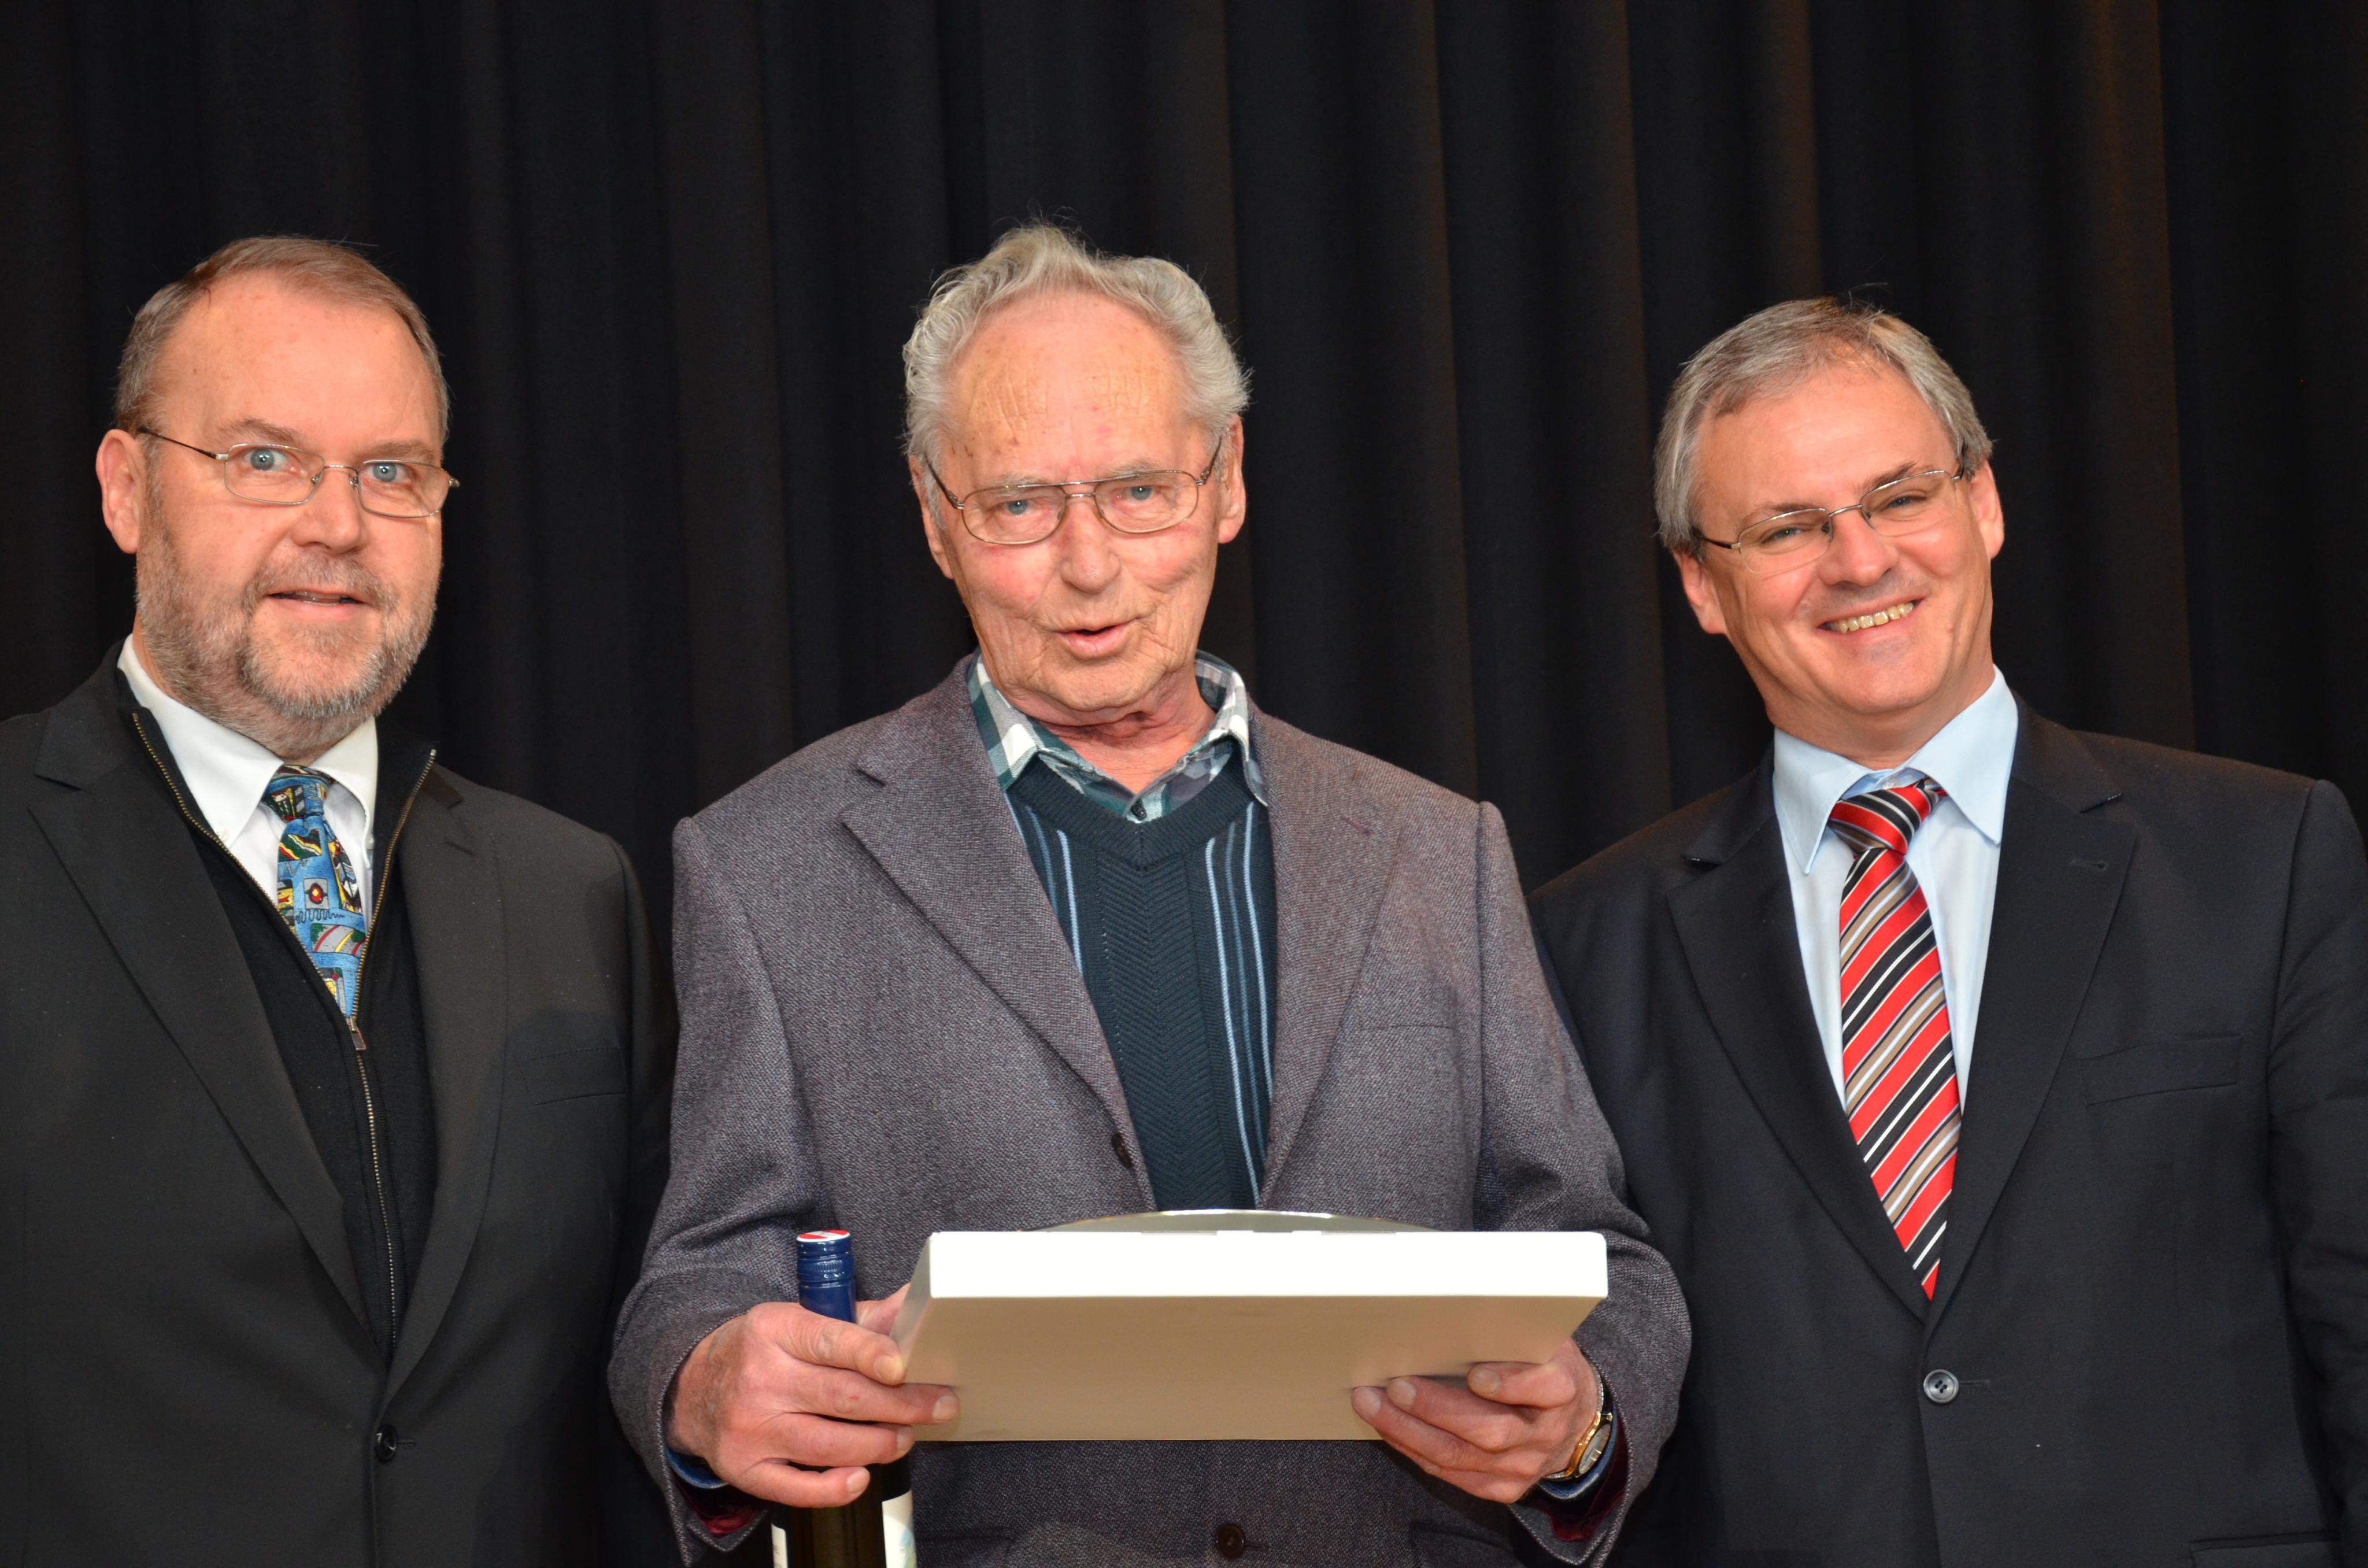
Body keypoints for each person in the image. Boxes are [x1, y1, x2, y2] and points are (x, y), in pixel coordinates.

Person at [609, 224, 1688, 1566]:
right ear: (933, 515)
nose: (1087, 565)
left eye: (1137, 490)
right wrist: (703, 1384)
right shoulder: (767, 864)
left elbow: (1596, 1256)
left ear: (1225, 480)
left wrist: (1581, 1420)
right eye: (1018, 504)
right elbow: (699, 1277)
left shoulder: (1435, 848)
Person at [1529, 297, 2368, 1566]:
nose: (1859, 561)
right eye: (1787, 528)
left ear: (1982, 504)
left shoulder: (2265, 859)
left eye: (1899, 497)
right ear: (1702, 584)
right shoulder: (1583, 947)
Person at [0, 237, 674, 1566]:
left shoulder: (573, 894)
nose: (338, 526)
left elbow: (638, 1361)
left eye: (391, 473)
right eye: (265, 459)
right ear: (127, 489)